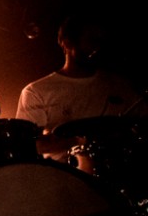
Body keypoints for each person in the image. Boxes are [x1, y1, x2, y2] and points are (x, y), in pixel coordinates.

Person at [16, 12, 146, 163]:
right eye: (92, 40)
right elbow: (27, 145)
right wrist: (81, 141)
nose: (98, 48)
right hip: (64, 180)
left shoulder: (121, 85)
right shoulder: (37, 91)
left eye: (102, 42)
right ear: (67, 42)